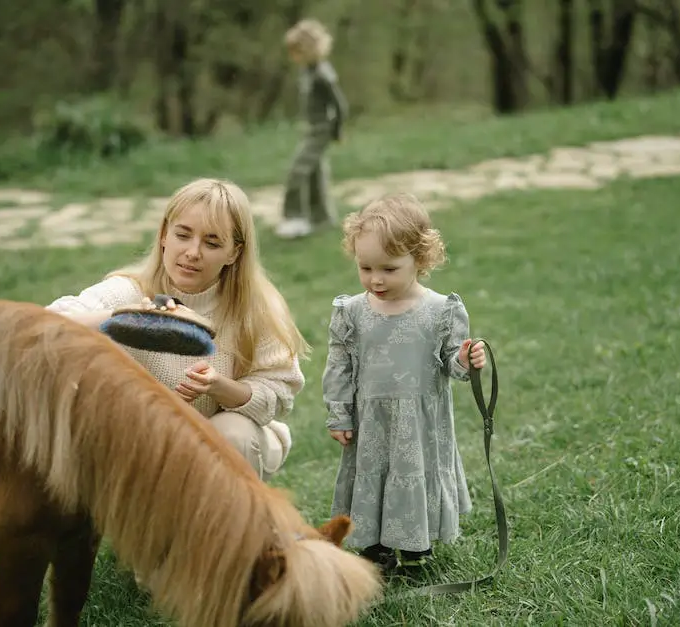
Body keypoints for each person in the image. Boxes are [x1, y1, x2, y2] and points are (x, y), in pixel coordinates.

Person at [46, 178, 309, 482]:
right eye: (183, 235)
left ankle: (230, 526)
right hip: (144, 440)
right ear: (163, 236)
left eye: (212, 243)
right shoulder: (129, 293)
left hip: (221, 438)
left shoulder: (255, 309)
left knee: (233, 433)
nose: (193, 252)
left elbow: (277, 394)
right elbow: (48, 326)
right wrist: (126, 318)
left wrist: (218, 386)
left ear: (234, 253)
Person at [321, 192, 487, 573]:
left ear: (421, 259)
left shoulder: (441, 310)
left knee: (414, 473)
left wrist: (465, 360)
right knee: (374, 476)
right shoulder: (351, 312)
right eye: (366, 268)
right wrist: (339, 413)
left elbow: (452, 364)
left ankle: (416, 542)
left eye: (389, 269)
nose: (375, 279)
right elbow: (339, 365)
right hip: (371, 422)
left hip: (420, 423)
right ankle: (375, 548)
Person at [274, 18, 349, 240]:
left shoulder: (323, 74)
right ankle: (321, 218)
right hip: (311, 130)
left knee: (297, 172)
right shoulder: (306, 71)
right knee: (315, 174)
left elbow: (340, 106)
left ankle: (294, 218)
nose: (293, 56)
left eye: (296, 51)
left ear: (308, 50)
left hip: (321, 131)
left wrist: (337, 130)